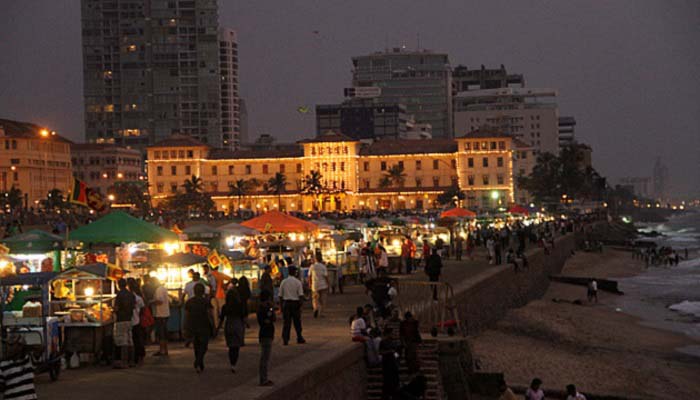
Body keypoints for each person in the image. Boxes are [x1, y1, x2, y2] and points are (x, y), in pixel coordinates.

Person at [185, 284, 213, 373]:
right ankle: (198, 361)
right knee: (204, 345)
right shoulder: (206, 301)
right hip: (204, 324)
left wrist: (185, 326)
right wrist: (213, 325)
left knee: (196, 345)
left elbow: (186, 315)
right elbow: (209, 314)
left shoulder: (189, 301)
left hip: (193, 325)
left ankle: (199, 361)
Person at [219, 287, 246, 373]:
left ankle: (231, 363)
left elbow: (222, 318)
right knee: (236, 346)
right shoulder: (239, 305)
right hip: (237, 324)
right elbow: (243, 316)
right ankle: (234, 364)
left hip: (229, 324)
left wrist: (217, 328)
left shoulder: (225, 307)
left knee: (231, 346)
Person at [279, 266, 306, 345]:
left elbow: (280, 295)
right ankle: (299, 337)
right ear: (295, 272)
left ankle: (285, 339)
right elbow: (301, 295)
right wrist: (301, 306)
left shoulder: (284, 282)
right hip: (295, 304)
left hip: (286, 303)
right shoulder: (298, 282)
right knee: (297, 322)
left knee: (286, 323)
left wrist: (281, 307)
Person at [113, 278, 135, 368]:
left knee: (123, 341)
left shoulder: (119, 294)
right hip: (129, 319)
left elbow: (117, 308)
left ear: (118, 285)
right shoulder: (131, 294)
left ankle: (124, 361)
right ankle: (132, 361)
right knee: (130, 340)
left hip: (121, 319)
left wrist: (113, 310)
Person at [257, 290, 276, 386]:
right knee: (265, 357)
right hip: (266, 334)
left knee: (265, 357)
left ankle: (264, 377)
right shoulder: (264, 309)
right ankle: (263, 379)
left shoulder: (263, 308)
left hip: (266, 333)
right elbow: (270, 319)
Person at [127, 278, 146, 366]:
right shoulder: (139, 298)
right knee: (138, 339)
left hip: (130, 321)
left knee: (132, 340)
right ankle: (139, 357)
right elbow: (142, 309)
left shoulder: (130, 297)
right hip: (137, 320)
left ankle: (134, 358)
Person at [151, 277, 170, 356]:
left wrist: (151, 302)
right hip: (165, 313)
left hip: (160, 314)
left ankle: (162, 350)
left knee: (161, 333)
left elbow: (160, 301)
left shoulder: (158, 290)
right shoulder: (163, 288)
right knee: (164, 333)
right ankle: (164, 349)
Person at [379, 327, 401, 399]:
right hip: (386, 365)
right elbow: (381, 352)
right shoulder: (383, 342)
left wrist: (397, 359)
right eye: (392, 333)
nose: (393, 334)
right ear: (388, 334)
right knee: (387, 383)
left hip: (394, 365)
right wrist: (389, 352)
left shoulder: (394, 342)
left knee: (395, 382)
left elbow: (396, 353)